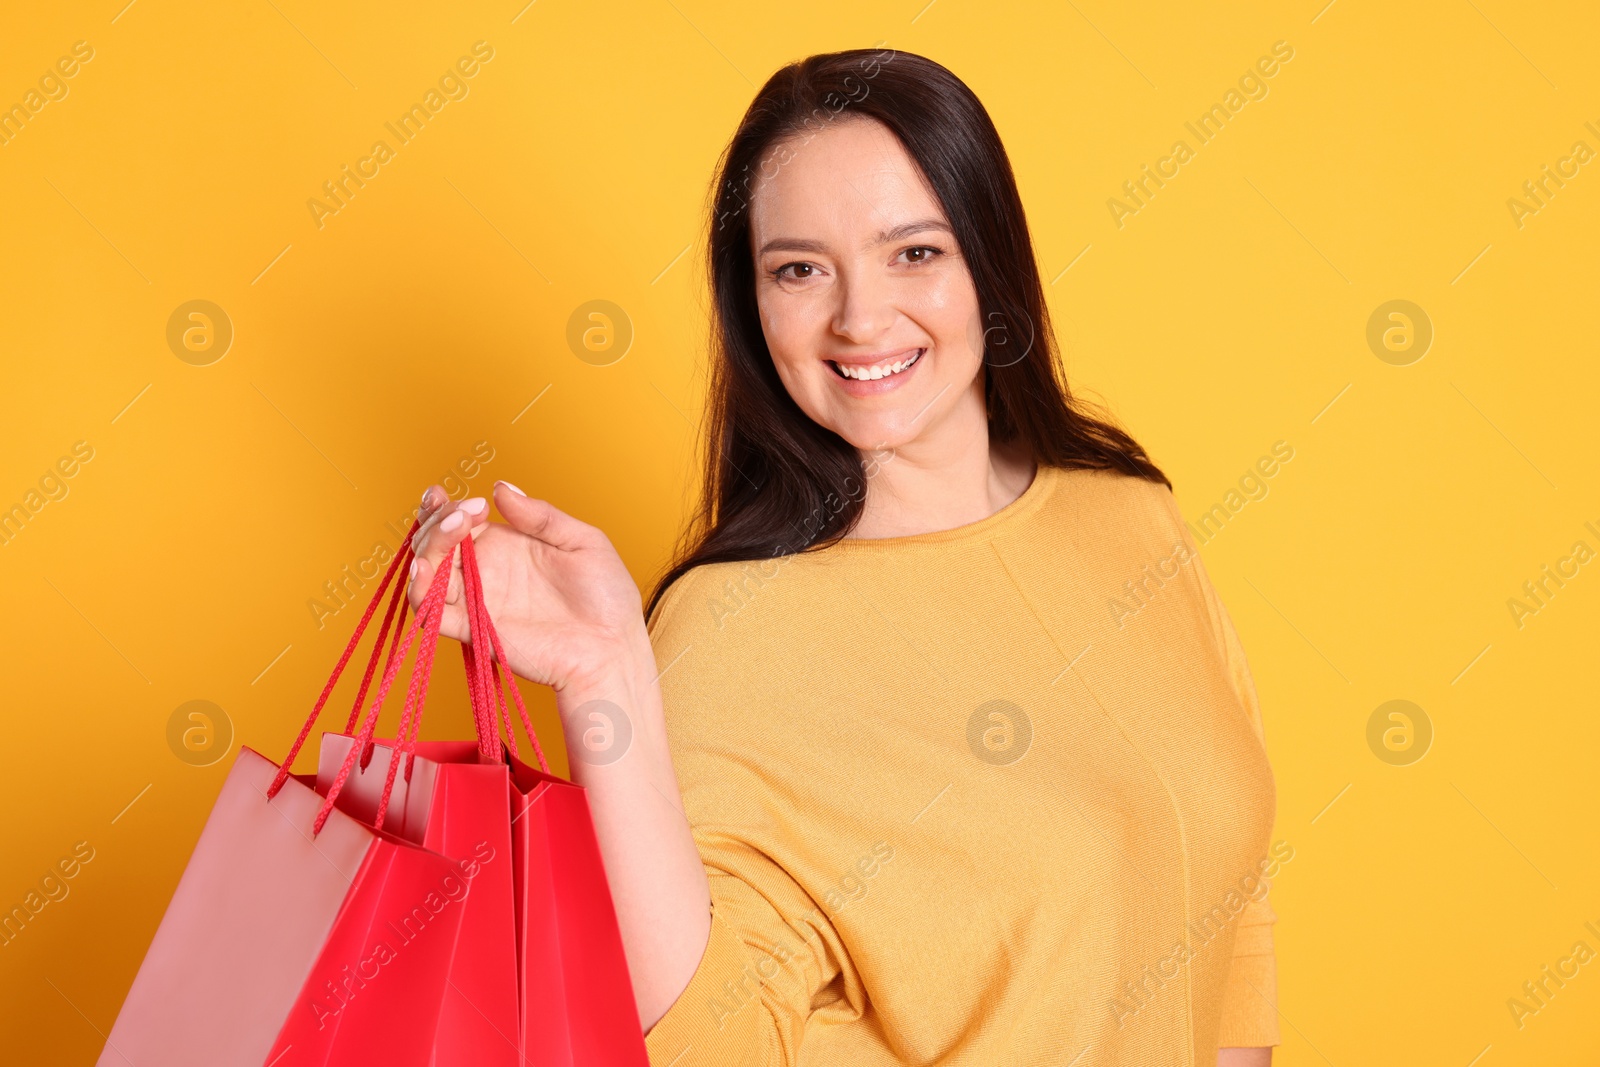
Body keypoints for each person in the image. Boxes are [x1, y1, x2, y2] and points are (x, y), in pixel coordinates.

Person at [406, 47, 1281, 1067]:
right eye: (799, 269)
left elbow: (1232, 913)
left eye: (913, 252)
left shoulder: (1128, 513)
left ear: (988, 260)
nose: (859, 318)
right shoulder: (731, 630)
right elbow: (707, 1044)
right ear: (752, 304)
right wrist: (607, 677)